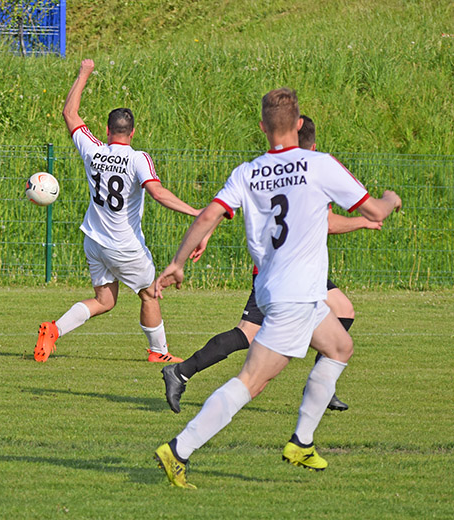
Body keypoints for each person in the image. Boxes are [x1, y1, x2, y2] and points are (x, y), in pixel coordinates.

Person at [153, 88, 401, 488]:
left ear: (262, 128)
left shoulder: (247, 172)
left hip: (278, 290)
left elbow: (209, 215)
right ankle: (179, 450)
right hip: (295, 297)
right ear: (299, 125)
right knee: (251, 381)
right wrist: (390, 199)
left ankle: (301, 442)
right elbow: (373, 211)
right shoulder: (319, 164)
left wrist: (178, 263)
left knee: (339, 346)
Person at [161, 115, 383, 413]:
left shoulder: (262, 170)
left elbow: (215, 211)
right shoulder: (309, 171)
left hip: (297, 273)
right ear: (313, 147)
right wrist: (363, 221)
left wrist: (198, 243)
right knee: (245, 334)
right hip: (278, 274)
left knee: (344, 309)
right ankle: (181, 371)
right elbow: (328, 223)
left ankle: (323, 384)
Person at [34, 59, 201, 364]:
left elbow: (69, 113)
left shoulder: (93, 150)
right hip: (124, 246)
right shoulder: (138, 159)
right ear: (132, 132)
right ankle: (158, 353)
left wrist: (84, 72)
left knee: (105, 300)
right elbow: (158, 193)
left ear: (107, 130)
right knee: (150, 293)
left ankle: (54, 329)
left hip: (93, 241)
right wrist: (196, 213)